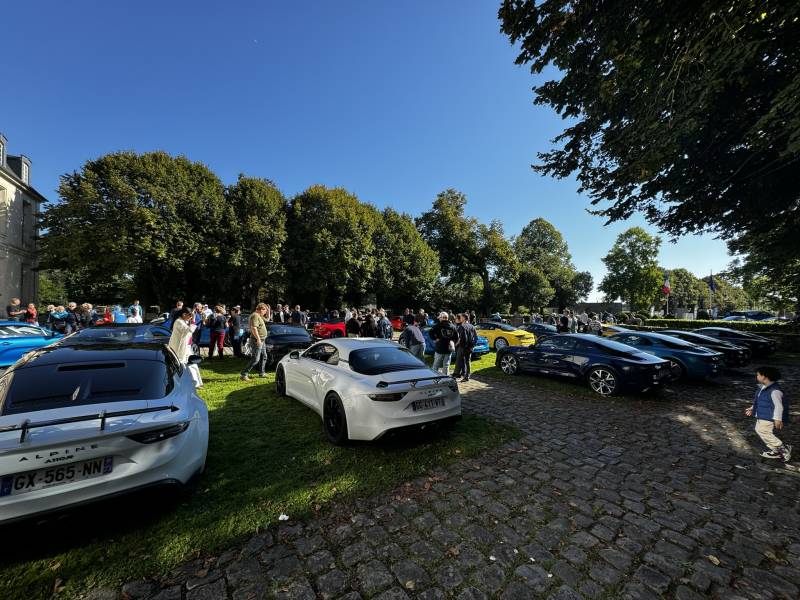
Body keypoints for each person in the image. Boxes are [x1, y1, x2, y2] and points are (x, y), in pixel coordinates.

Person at [745, 366, 791, 462]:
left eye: (758, 375)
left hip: (769, 416)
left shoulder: (775, 391)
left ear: (764, 377)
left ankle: (782, 449)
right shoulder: (763, 387)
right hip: (763, 414)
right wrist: (752, 408)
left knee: (764, 432)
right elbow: (760, 400)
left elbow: (779, 406)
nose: (756, 376)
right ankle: (776, 450)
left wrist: (778, 419)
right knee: (760, 430)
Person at [168, 307, 203, 388]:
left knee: (192, 363)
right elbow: (189, 330)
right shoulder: (178, 322)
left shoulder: (183, 321)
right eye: (189, 315)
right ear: (184, 314)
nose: (191, 317)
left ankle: (196, 383)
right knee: (180, 364)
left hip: (186, 346)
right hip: (179, 348)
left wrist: (192, 317)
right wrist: (193, 320)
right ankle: (179, 383)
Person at [240, 303, 269, 381]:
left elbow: (268, 319)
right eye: (265, 310)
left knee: (264, 356)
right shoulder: (255, 316)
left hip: (262, 340)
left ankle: (262, 373)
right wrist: (258, 339)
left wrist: (268, 311)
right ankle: (244, 374)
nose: (265, 312)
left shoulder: (259, 316)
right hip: (257, 340)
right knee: (256, 358)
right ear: (261, 309)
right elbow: (254, 328)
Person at [429, 311, 457, 376]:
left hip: (439, 348)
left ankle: (434, 378)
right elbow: (457, 337)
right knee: (446, 365)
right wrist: (452, 342)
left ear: (441, 318)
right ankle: (445, 379)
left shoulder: (438, 325)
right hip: (448, 349)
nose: (439, 319)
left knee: (436, 365)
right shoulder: (453, 326)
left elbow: (430, 332)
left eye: (439, 318)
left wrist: (435, 339)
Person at [452, 313, 477, 381]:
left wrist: (455, 345)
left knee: (458, 360)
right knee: (467, 362)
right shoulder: (472, 326)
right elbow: (475, 338)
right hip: (470, 347)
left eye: (462, 317)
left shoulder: (462, 327)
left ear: (464, 318)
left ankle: (456, 374)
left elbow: (461, 338)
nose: (460, 318)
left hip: (463, 347)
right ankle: (467, 376)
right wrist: (473, 345)